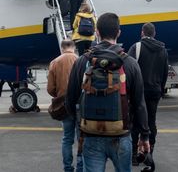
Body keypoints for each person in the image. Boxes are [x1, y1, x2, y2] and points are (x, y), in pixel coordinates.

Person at [66, 13, 150, 172]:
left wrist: (80, 124)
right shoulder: (130, 63)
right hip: (121, 135)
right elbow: (139, 104)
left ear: (96, 32)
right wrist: (144, 135)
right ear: (118, 32)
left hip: (90, 135)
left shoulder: (82, 61)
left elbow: (70, 101)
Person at [128, 22, 168, 166]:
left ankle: (133, 156)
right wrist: (161, 90)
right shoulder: (163, 50)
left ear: (142, 33)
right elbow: (165, 73)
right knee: (151, 122)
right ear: (154, 33)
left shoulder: (136, 47)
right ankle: (148, 155)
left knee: (135, 123)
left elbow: (129, 69)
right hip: (154, 92)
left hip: (138, 92)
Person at [47, 39, 82, 172]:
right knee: (81, 138)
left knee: (67, 138)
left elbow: (50, 88)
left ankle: (68, 168)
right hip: (79, 104)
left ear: (62, 48)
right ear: (74, 48)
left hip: (64, 104)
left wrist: (59, 93)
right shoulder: (80, 60)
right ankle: (80, 167)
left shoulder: (55, 62)